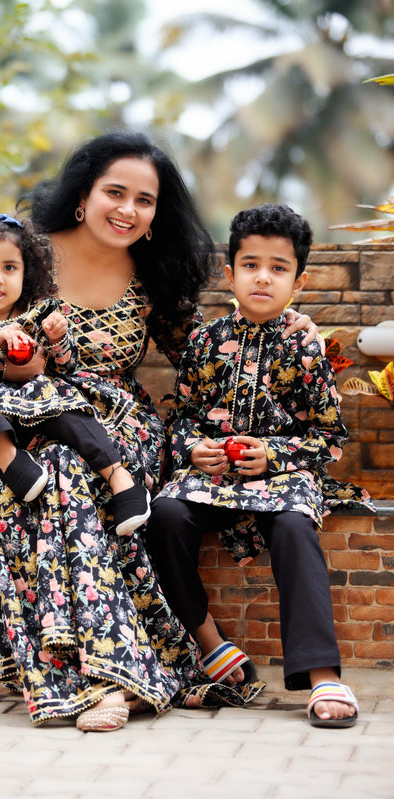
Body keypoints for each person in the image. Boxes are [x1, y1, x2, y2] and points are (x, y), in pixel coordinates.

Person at [0, 133, 318, 731]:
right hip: (16, 419)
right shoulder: (22, 256)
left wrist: (287, 324)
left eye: (144, 200)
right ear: (83, 195)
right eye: (115, 193)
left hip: (116, 427)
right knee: (32, 485)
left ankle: (111, 673)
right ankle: (82, 670)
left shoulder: (155, 278)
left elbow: (210, 357)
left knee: (72, 477)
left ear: (157, 215)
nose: (128, 210)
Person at [146, 203, 374, 728]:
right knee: (165, 515)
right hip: (212, 479)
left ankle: (322, 675)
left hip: (284, 482)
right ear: (230, 274)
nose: (263, 278)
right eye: (250, 265)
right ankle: (209, 642)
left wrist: (276, 454)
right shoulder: (205, 342)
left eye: (278, 267)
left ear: (300, 279)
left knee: (295, 527)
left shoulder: (308, 347)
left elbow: (329, 438)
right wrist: (192, 450)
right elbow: (179, 420)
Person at [0, 211, 150, 537]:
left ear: (27, 272)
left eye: (9, 267)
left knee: (64, 399)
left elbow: (68, 367)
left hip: (39, 414)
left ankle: (121, 479)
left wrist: (58, 340)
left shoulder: (41, 313)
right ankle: (10, 460)